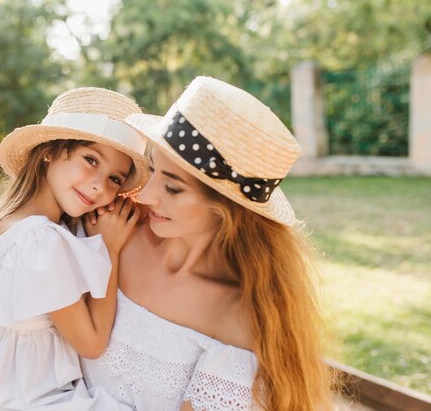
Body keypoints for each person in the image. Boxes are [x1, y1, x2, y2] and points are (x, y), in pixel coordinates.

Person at [80, 76, 334, 411]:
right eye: (153, 169)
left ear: (227, 211)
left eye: (172, 188)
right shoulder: (115, 226)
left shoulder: (238, 316)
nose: (145, 193)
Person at [0, 87, 148, 411]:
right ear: (49, 151)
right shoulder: (40, 242)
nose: (100, 185)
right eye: (90, 160)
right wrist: (109, 250)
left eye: (115, 178)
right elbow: (93, 342)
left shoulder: (13, 223)